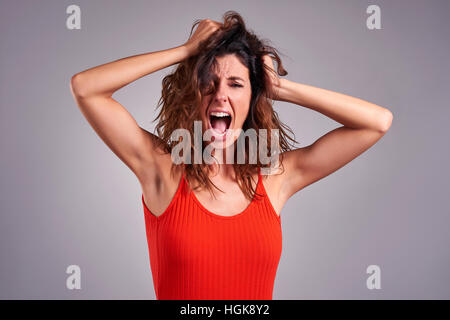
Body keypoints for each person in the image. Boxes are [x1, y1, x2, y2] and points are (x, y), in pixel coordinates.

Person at [70, 11, 393, 300]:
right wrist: (185, 51)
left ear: (253, 97)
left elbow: (377, 123)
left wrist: (280, 88)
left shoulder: (276, 177)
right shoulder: (162, 171)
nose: (221, 94)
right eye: (209, 83)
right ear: (193, 94)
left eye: (236, 84)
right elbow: (86, 87)